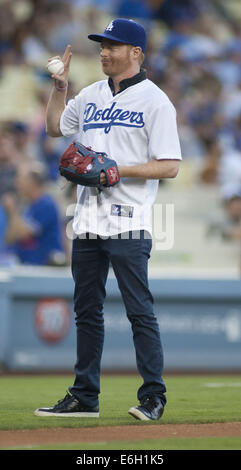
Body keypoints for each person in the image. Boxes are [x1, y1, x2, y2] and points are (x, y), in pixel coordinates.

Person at [34, 18, 182, 421]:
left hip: (129, 220)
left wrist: (118, 169)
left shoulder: (156, 101)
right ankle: (85, 396)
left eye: (113, 45)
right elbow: (52, 128)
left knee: (139, 311)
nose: (104, 51)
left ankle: (154, 396)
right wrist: (60, 88)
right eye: (101, 45)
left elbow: (169, 167)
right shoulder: (90, 94)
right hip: (85, 220)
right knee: (86, 311)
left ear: (136, 53)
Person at [2, 162, 66, 266]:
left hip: (47, 267)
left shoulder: (46, 204)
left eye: (20, 179)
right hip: (28, 266)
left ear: (32, 182)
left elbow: (22, 234)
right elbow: (9, 238)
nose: (16, 183)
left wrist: (12, 211)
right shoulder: (27, 205)